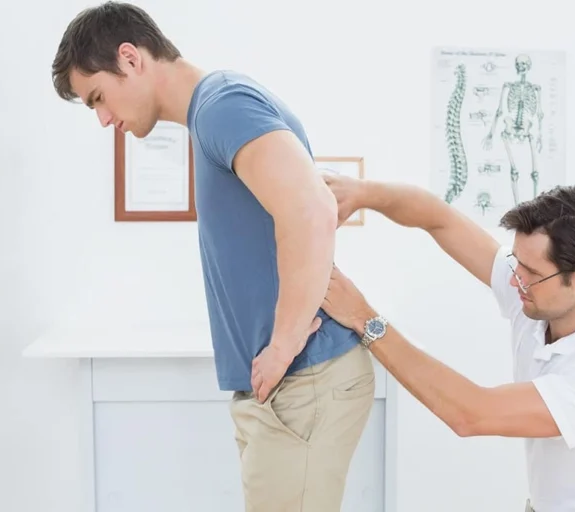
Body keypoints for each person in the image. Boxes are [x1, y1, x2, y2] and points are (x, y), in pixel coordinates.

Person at [51, 3, 374, 510]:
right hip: (285, 388)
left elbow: (313, 210)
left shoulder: (223, 105)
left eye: (98, 97)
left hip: (305, 377)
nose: (103, 119)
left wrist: (286, 342)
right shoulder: (210, 116)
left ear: (130, 58)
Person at [319, 174, 575, 512]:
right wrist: (362, 192)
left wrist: (364, 318)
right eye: (516, 264)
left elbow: (471, 414)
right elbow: (438, 218)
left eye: (530, 273)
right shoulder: (536, 294)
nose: (515, 279)